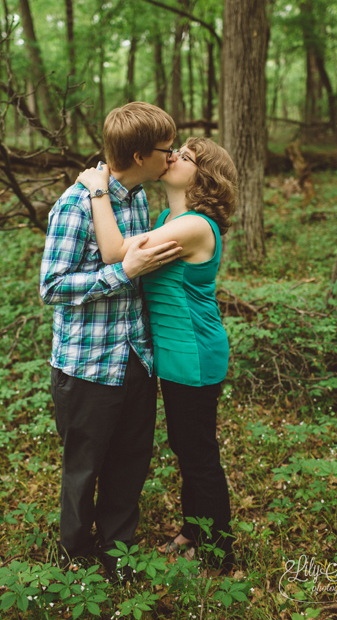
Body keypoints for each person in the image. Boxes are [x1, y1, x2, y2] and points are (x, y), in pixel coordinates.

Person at [75, 136, 238, 571]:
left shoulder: (195, 226)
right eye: (176, 151)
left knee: (197, 450)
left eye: (185, 157)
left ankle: (217, 547)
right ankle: (196, 528)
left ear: (202, 177)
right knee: (188, 445)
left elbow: (114, 254)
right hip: (175, 351)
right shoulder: (170, 217)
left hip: (194, 351)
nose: (173, 157)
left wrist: (97, 190)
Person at [39, 101, 181, 574]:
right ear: (141, 155)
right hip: (87, 366)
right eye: (166, 149)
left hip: (136, 359)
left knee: (131, 461)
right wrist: (121, 273)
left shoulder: (136, 197)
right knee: (84, 468)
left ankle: (117, 552)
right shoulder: (76, 205)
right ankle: (76, 558)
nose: (173, 155)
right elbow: (52, 286)